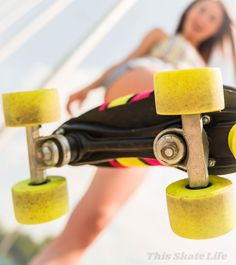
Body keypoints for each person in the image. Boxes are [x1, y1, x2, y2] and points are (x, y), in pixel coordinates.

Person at [30, 1, 236, 264]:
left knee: (95, 220)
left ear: (216, 31)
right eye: (201, 10)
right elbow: (125, 60)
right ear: (189, 11)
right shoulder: (161, 36)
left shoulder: (200, 66)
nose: (203, 18)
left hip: (159, 131)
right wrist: (87, 88)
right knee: (176, 91)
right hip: (138, 83)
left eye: (212, 18)